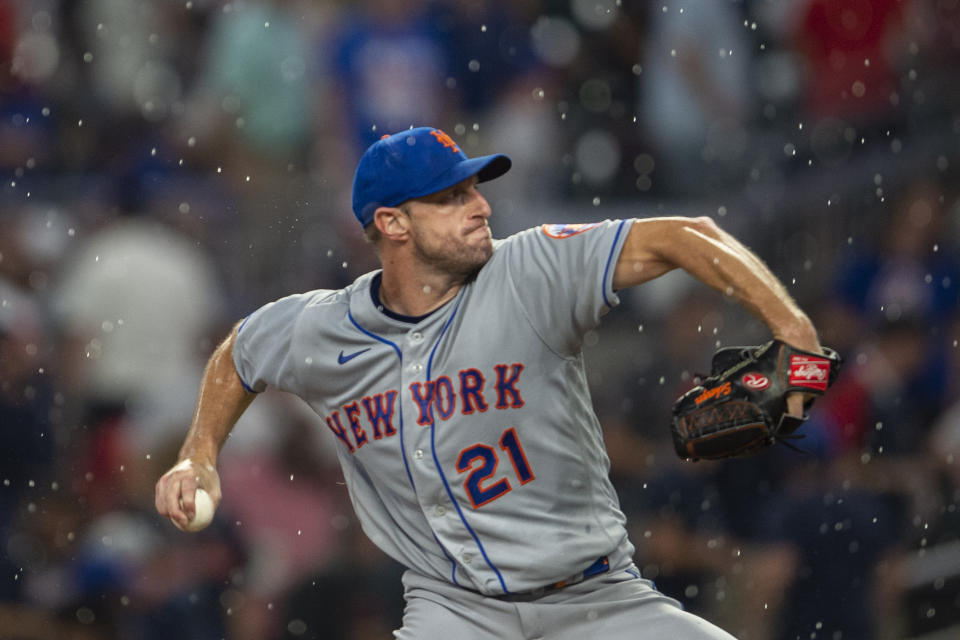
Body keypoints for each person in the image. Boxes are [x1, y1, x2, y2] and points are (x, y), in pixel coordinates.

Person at [155, 126, 824, 639]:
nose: (479, 207)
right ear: (392, 224)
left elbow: (685, 235)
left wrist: (792, 329)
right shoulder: (322, 329)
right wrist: (199, 451)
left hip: (595, 599)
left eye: (475, 189)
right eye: (451, 197)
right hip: (454, 612)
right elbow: (239, 352)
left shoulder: (532, 269)